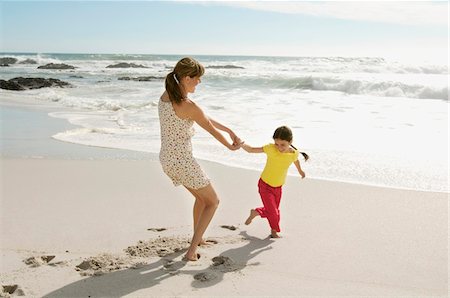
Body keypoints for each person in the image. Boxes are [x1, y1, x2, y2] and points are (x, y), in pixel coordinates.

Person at [158, 57, 242, 261]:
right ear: (187, 78)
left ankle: (199, 237)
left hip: (167, 159)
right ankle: (191, 251)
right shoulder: (188, 105)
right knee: (213, 201)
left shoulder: (166, 96)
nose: (199, 82)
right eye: (197, 78)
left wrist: (229, 129)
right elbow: (210, 128)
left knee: (201, 199)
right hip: (182, 161)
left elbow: (203, 117)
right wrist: (231, 146)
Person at [242, 126, 309, 238]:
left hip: (278, 187)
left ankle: (256, 212)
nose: (279, 147)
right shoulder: (271, 149)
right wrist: (241, 144)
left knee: (273, 211)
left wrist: (300, 171)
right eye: (276, 144)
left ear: (290, 142)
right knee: (274, 213)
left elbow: (295, 160)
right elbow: (251, 150)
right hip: (265, 185)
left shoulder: (294, 153)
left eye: (283, 144)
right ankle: (274, 232)